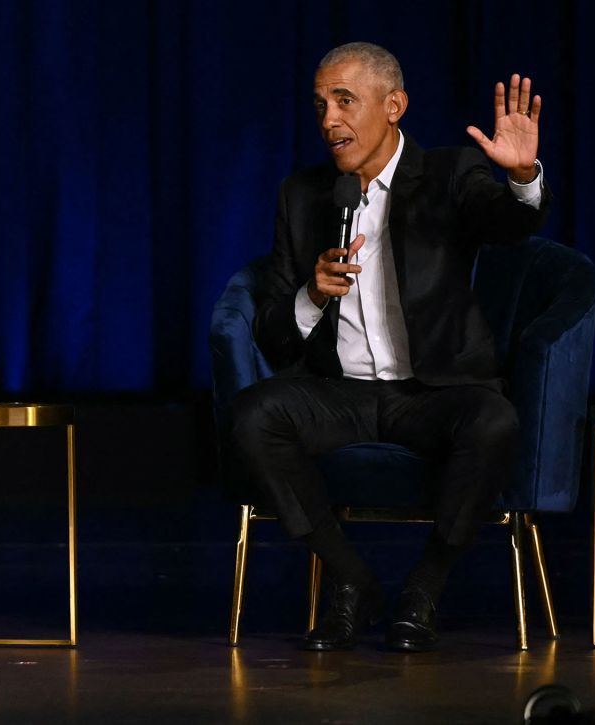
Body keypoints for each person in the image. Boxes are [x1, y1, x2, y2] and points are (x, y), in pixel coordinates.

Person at [229, 41, 549, 652]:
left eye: (345, 101)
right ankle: (351, 581)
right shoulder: (302, 195)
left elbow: (511, 227)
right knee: (251, 415)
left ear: (394, 105)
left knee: (494, 422)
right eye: (321, 104)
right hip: (338, 393)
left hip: (431, 392)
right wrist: (312, 295)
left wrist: (521, 177)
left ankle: (423, 589)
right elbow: (272, 331)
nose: (329, 121)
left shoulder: (450, 175)